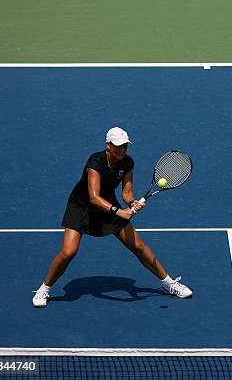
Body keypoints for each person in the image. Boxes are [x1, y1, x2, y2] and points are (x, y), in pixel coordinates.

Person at [32, 127, 192, 307]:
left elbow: (127, 192)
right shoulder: (96, 161)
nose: (123, 150)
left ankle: (168, 283)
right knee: (68, 252)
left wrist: (132, 203)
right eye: (119, 146)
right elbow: (93, 197)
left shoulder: (128, 162)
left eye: (125, 146)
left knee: (138, 246)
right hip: (81, 207)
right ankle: (44, 288)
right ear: (108, 145)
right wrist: (119, 211)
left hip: (107, 204)